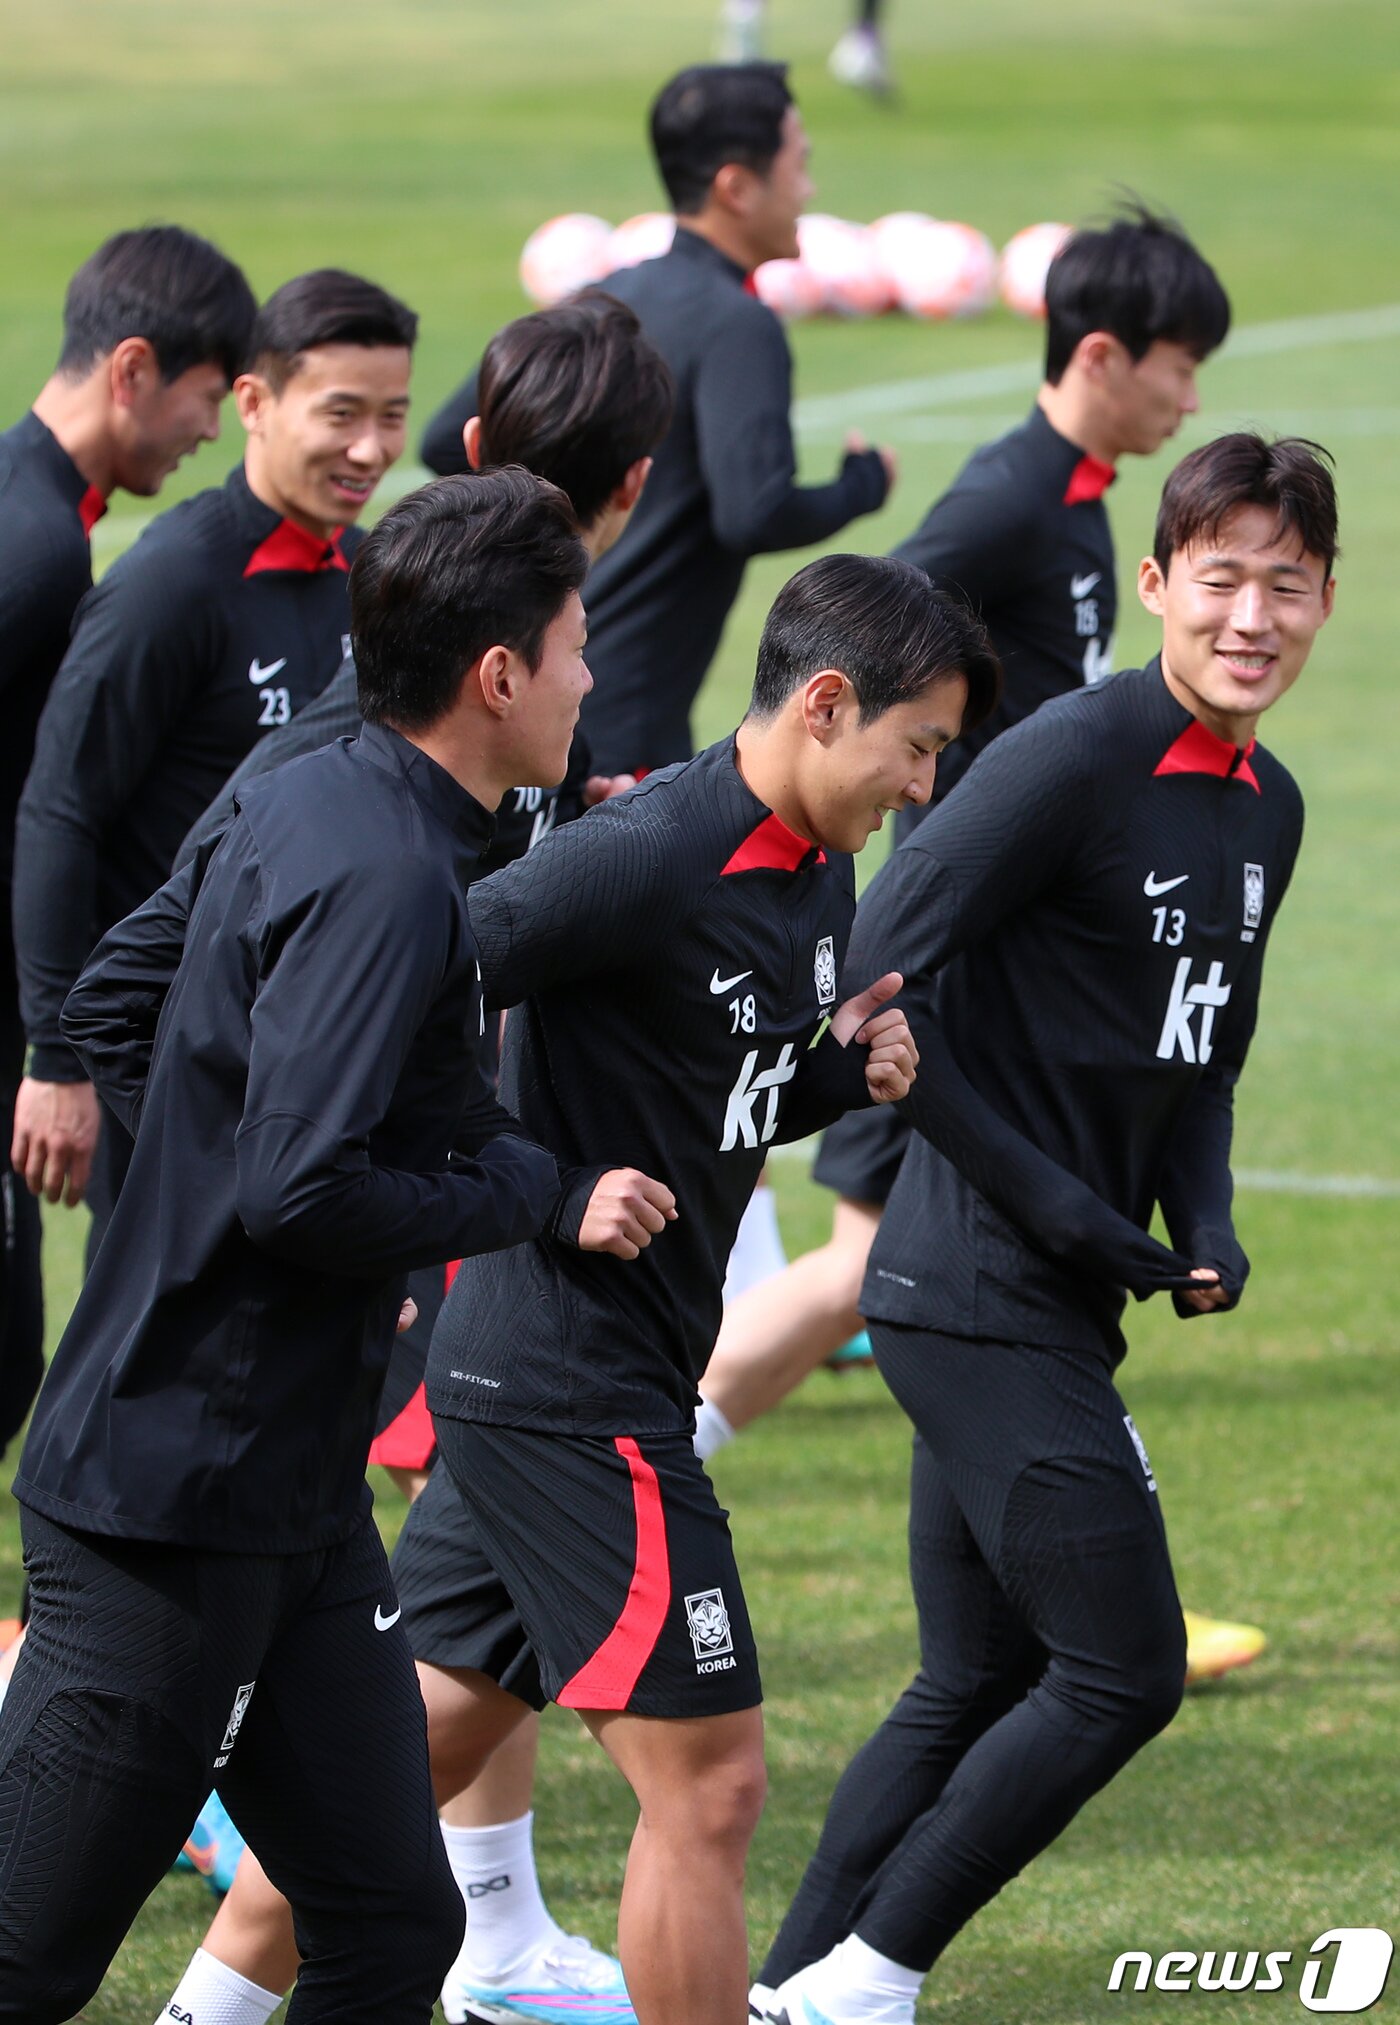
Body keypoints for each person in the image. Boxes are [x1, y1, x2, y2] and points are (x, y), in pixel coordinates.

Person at [0, 467, 667, 2024]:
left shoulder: (317, 783)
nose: (590, 679)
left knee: (388, 1923)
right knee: (25, 1960)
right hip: (172, 1506)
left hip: (291, 1495)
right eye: (576, 648)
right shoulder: (390, 875)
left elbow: (119, 999)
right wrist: (523, 1201)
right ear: (496, 674)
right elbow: (301, 1192)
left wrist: (228, 1200)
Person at [751, 433, 1337, 2025]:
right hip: (972, 1281)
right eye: (1222, 580)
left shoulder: (1269, 808)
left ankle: (784, 1990)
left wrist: (1204, 1214)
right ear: (1156, 584)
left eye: (1288, 586)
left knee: (978, 1676)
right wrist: (1053, 1198)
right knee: (1122, 1671)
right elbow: (873, 969)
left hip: (1046, 1291)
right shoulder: (1067, 758)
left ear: (1326, 603)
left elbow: (1206, 1053)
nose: (1253, 617)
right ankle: (868, 1982)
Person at [160, 289, 675, 2025]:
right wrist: (523, 1185)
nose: (586, 671)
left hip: (358, 1312)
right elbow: (285, 1128)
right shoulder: (377, 791)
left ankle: (489, 1929)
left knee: (396, 1858)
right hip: (279, 1340)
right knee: (49, 1912)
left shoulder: (454, 745)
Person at [395, 553, 997, 2025]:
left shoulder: (815, 861)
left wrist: (834, 1074)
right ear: (826, 704)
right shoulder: (649, 850)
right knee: (711, 1783)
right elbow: (398, 984)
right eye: (916, 746)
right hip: (571, 1385)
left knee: (394, 1764)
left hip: (567, 1379)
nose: (922, 787)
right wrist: (537, 1189)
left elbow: (712, 1082)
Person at [693, 205, 1256, 1683]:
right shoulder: (1011, 495)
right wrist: (932, 827)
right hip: (941, 968)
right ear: (1103, 356)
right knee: (872, 1269)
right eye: (1178, 365)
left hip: (1003, 961)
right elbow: (865, 631)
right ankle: (634, 1469)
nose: (1189, 395)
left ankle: (1067, 1566)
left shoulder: (1077, 502)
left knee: (905, 1283)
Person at [10, 266, 417, 1268]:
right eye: (341, 414)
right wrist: (58, 1059)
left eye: (392, 416)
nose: (371, 449)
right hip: (175, 1059)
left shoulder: (378, 582)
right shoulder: (173, 583)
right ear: (253, 403)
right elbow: (60, 811)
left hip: (327, 1040)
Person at [421, 62, 896, 777]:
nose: (809, 189)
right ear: (736, 186)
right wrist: (863, 484)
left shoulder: (602, 296)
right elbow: (754, 513)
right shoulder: (740, 325)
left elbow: (444, 441)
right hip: (629, 730)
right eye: (798, 165)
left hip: (527, 692)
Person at [0, 224, 254, 1461]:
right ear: (134, 369)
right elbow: (51, 804)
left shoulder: (29, 498)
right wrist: (52, 1046)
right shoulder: (39, 551)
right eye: (207, 398)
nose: (210, 430)